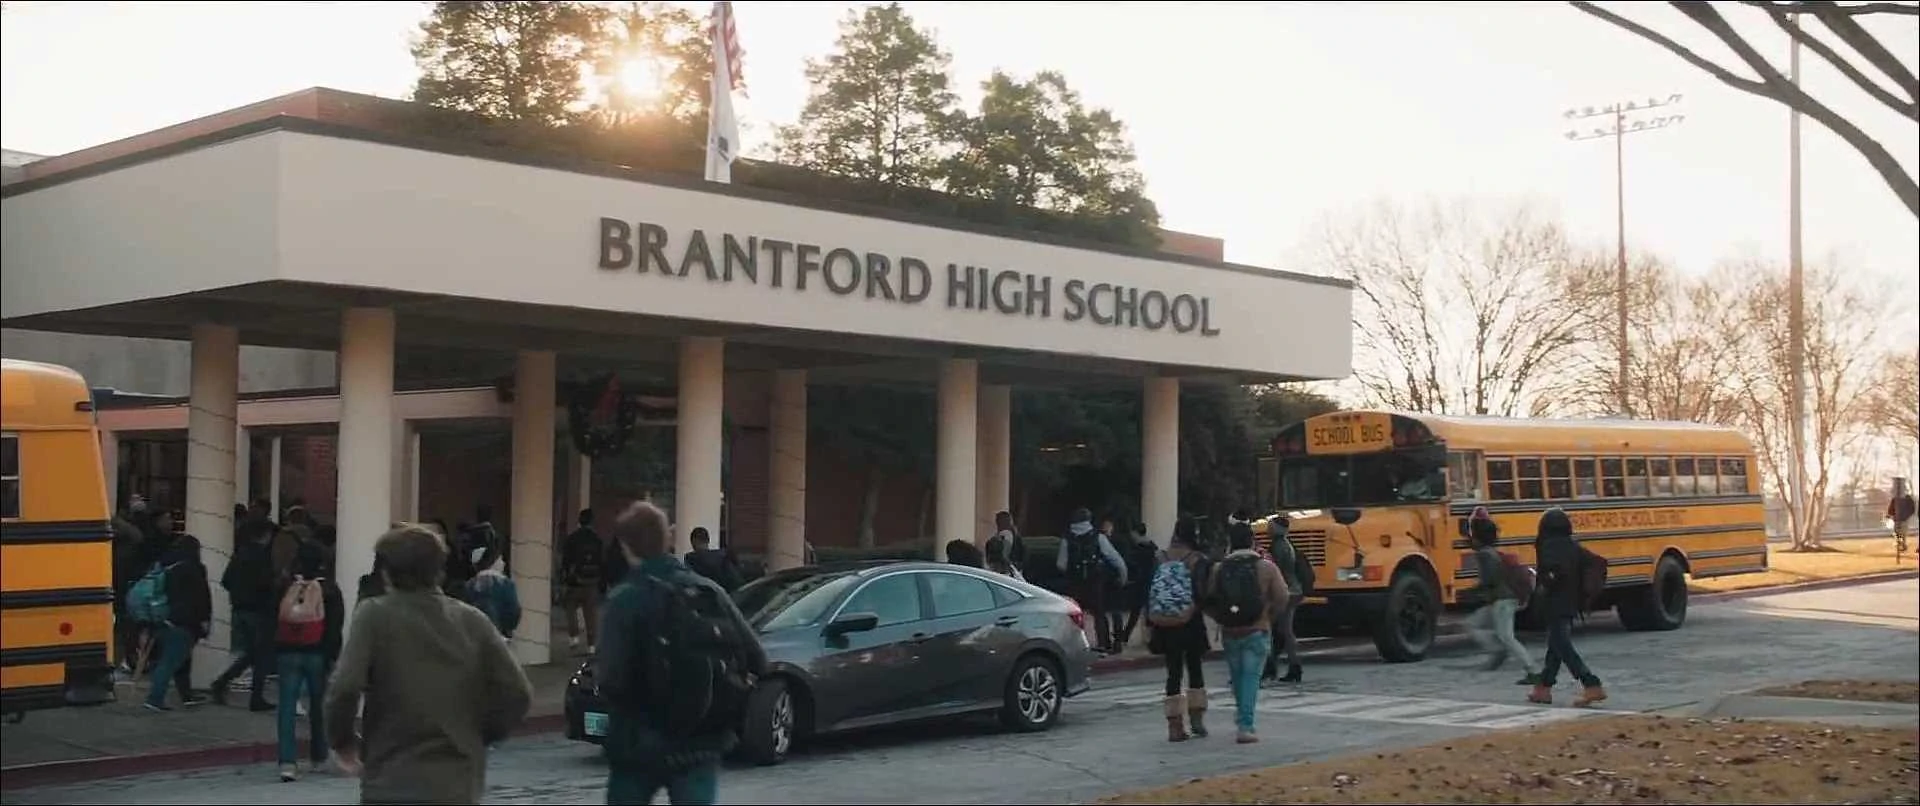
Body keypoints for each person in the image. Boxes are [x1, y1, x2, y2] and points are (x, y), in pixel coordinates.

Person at [324, 524, 532, 804]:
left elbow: (345, 687)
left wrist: (343, 741)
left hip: (391, 779)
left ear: (387, 572)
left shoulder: (375, 616)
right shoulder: (472, 621)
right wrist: (480, 733)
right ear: (439, 569)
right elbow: (517, 691)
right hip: (457, 783)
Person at [598, 502, 768, 805]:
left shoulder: (625, 599)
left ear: (626, 546)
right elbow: (757, 658)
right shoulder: (707, 591)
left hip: (639, 739)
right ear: (668, 539)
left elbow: (612, 676)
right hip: (701, 739)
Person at [1207, 522, 1288, 744]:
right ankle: (1245, 725)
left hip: (1231, 631)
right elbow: (1283, 596)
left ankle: (1241, 714)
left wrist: (1222, 618)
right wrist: (1268, 615)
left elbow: (1210, 599)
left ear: (1230, 543)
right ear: (1253, 541)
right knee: (1251, 677)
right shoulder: (1266, 567)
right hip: (1257, 629)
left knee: (1237, 676)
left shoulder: (1219, 568)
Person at [272, 543, 344, 782]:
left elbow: (274, 616)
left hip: (286, 653)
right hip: (316, 654)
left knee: (286, 706)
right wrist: (331, 656)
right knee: (318, 706)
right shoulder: (330, 589)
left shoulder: (286, 586)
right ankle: (319, 756)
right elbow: (335, 628)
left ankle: (287, 762)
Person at [1527, 508, 1606, 708]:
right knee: (1555, 646)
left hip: (1555, 602)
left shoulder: (1550, 545)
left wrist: (1543, 582)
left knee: (1562, 645)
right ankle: (1543, 689)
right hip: (1571, 601)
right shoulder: (1573, 546)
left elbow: (1554, 573)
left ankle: (1591, 683)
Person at [1148, 515, 1212, 742]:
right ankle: (1197, 719)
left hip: (1165, 623)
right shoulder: (1197, 560)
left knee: (1173, 672)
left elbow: (1150, 589)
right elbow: (1203, 593)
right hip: (1190, 621)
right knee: (1195, 669)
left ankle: (1174, 726)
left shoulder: (1160, 557)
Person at [1462, 507, 1538, 683]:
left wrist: (1470, 593)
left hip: (1503, 600)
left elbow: (1489, 580)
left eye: (1472, 535)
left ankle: (1532, 670)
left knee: (1506, 636)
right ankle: (1498, 651)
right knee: (1474, 624)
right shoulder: (1493, 552)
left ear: (1478, 537)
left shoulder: (1484, 555)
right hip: (1501, 599)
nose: (1469, 538)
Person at [213, 518, 280, 711]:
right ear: (266, 535)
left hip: (239, 609)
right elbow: (266, 583)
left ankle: (223, 682)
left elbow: (226, 580)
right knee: (261, 655)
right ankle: (255, 697)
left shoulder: (240, 554)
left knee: (251, 653)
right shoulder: (262, 557)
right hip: (258, 611)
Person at [142, 531, 212, 711]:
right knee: (170, 661)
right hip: (184, 622)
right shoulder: (193, 568)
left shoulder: (166, 566)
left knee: (177, 659)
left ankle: (186, 695)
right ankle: (155, 699)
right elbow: (201, 597)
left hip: (163, 617)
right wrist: (204, 620)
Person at [1056, 507, 1127, 654]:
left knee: (1074, 615)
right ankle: (1103, 643)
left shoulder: (1067, 538)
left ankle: (1075, 645)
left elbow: (1061, 564)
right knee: (1099, 614)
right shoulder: (1098, 537)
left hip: (1074, 582)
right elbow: (1115, 559)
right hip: (1095, 581)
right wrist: (1122, 575)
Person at [1259, 516, 1306, 685]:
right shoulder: (1286, 544)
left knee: (1282, 631)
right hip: (1293, 590)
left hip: (1286, 591)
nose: (1268, 529)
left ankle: (1290, 667)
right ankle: (1280, 666)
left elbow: (1275, 571)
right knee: (1282, 631)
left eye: (1270, 526)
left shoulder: (1278, 547)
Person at [560, 508, 607, 653]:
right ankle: (591, 645)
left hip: (575, 581)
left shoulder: (573, 538)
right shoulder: (597, 540)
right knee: (591, 613)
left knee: (570, 606)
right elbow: (602, 562)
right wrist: (602, 583)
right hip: (592, 581)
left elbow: (566, 560)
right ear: (592, 521)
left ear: (579, 521)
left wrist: (565, 576)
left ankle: (574, 636)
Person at [466, 553, 523, 639]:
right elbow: (513, 612)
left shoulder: (469, 585)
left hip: (473, 636)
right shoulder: (505, 584)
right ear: (493, 563)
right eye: (500, 560)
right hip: (497, 635)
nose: (503, 563)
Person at [683, 527, 743, 592]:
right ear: (708, 540)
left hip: (705, 599)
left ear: (693, 541)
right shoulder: (724, 556)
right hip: (729, 596)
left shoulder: (691, 559)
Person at [982, 511, 1026, 580]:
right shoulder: (1015, 538)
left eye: (998, 521)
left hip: (1008, 574)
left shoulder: (1008, 537)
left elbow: (1005, 555)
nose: (997, 524)